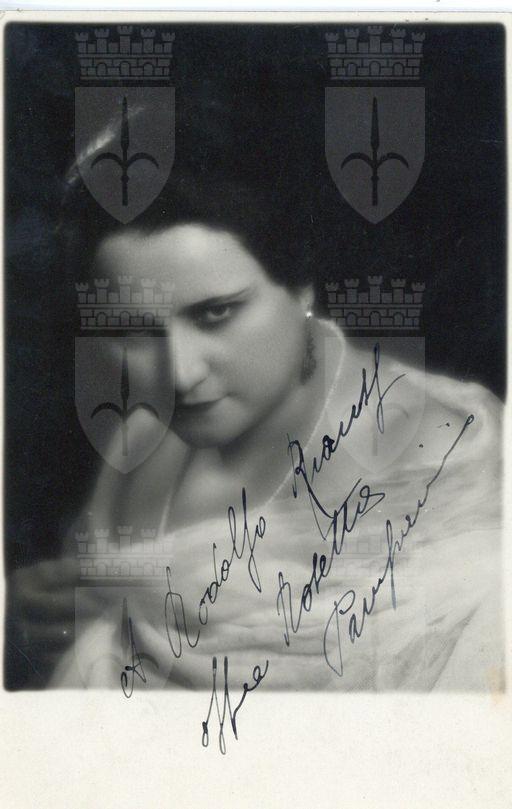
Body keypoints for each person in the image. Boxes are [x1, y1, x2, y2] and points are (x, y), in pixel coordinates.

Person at [19, 174, 505, 691]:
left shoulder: (445, 464)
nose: (180, 373)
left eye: (216, 314)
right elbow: (85, 625)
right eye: (133, 330)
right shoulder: (140, 441)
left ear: (301, 288)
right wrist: (39, 622)